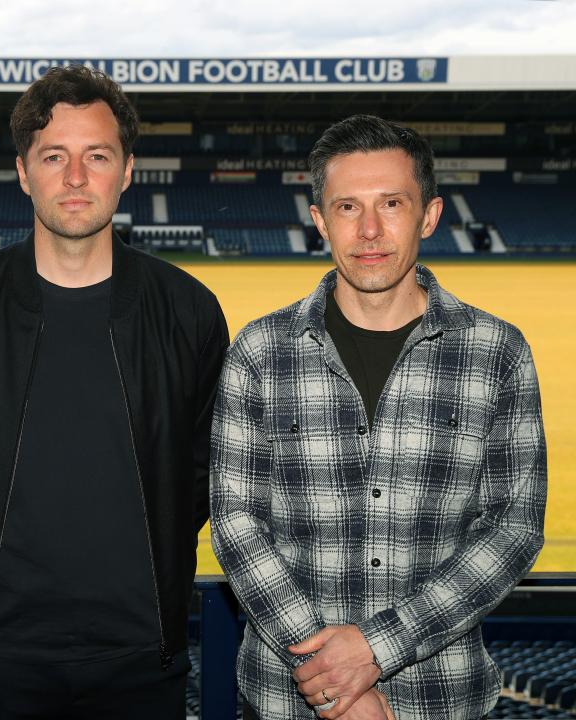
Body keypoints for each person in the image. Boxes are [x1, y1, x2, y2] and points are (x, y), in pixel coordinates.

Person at [0, 65, 229, 719]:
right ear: (24, 172)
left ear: (127, 169)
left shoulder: (189, 310)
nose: (77, 178)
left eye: (97, 156)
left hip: (144, 655)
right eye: (54, 156)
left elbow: (209, 469)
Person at [210, 114, 546, 720]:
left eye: (391, 203)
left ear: (429, 215)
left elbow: (513, 529)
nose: (369, 229)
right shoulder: (259, 352)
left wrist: (375, 649)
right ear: (319, 221)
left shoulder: (498, 352)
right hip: (286, 700)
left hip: (442, 700)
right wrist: (337, 681)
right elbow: (236, 525)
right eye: (346, 207)